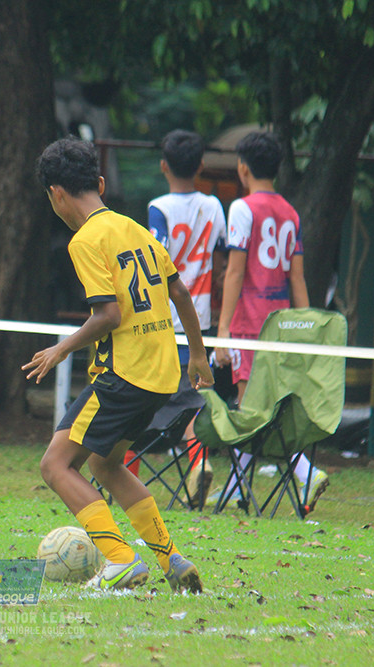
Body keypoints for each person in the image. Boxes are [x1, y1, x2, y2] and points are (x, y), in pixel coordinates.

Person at [25, 137, 213, 592]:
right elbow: (181, 293)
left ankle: (120, 559)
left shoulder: (85, 240)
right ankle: (172, 559)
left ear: (56, 194)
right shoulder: (135, 229)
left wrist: (60, 348)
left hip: (123, 374)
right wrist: (199, 355)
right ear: (101, 183)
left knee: (55, 465)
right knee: (107, 466)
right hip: (162, 372)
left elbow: (108, 314)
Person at [213, 131, 327, 512]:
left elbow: (234, 271)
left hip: (250, 323)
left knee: (250, 409)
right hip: (281, 323)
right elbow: (297, 277)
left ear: (243, 168)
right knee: (264, 409)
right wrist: (306, 324)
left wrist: (224, 330)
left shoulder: (243, 209)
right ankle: (237, 487)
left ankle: (305, 474)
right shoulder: (290, 212)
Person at [146, 129, 227, 507]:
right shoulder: (213, 206)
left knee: (144, 401)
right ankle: (198, 463)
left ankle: (125, 474)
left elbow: (156, 261)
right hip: (202, 320)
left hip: (165, 320)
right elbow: (222, 257)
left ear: (163, 166)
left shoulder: (158, 207)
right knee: (193, 400)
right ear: (201, 166)